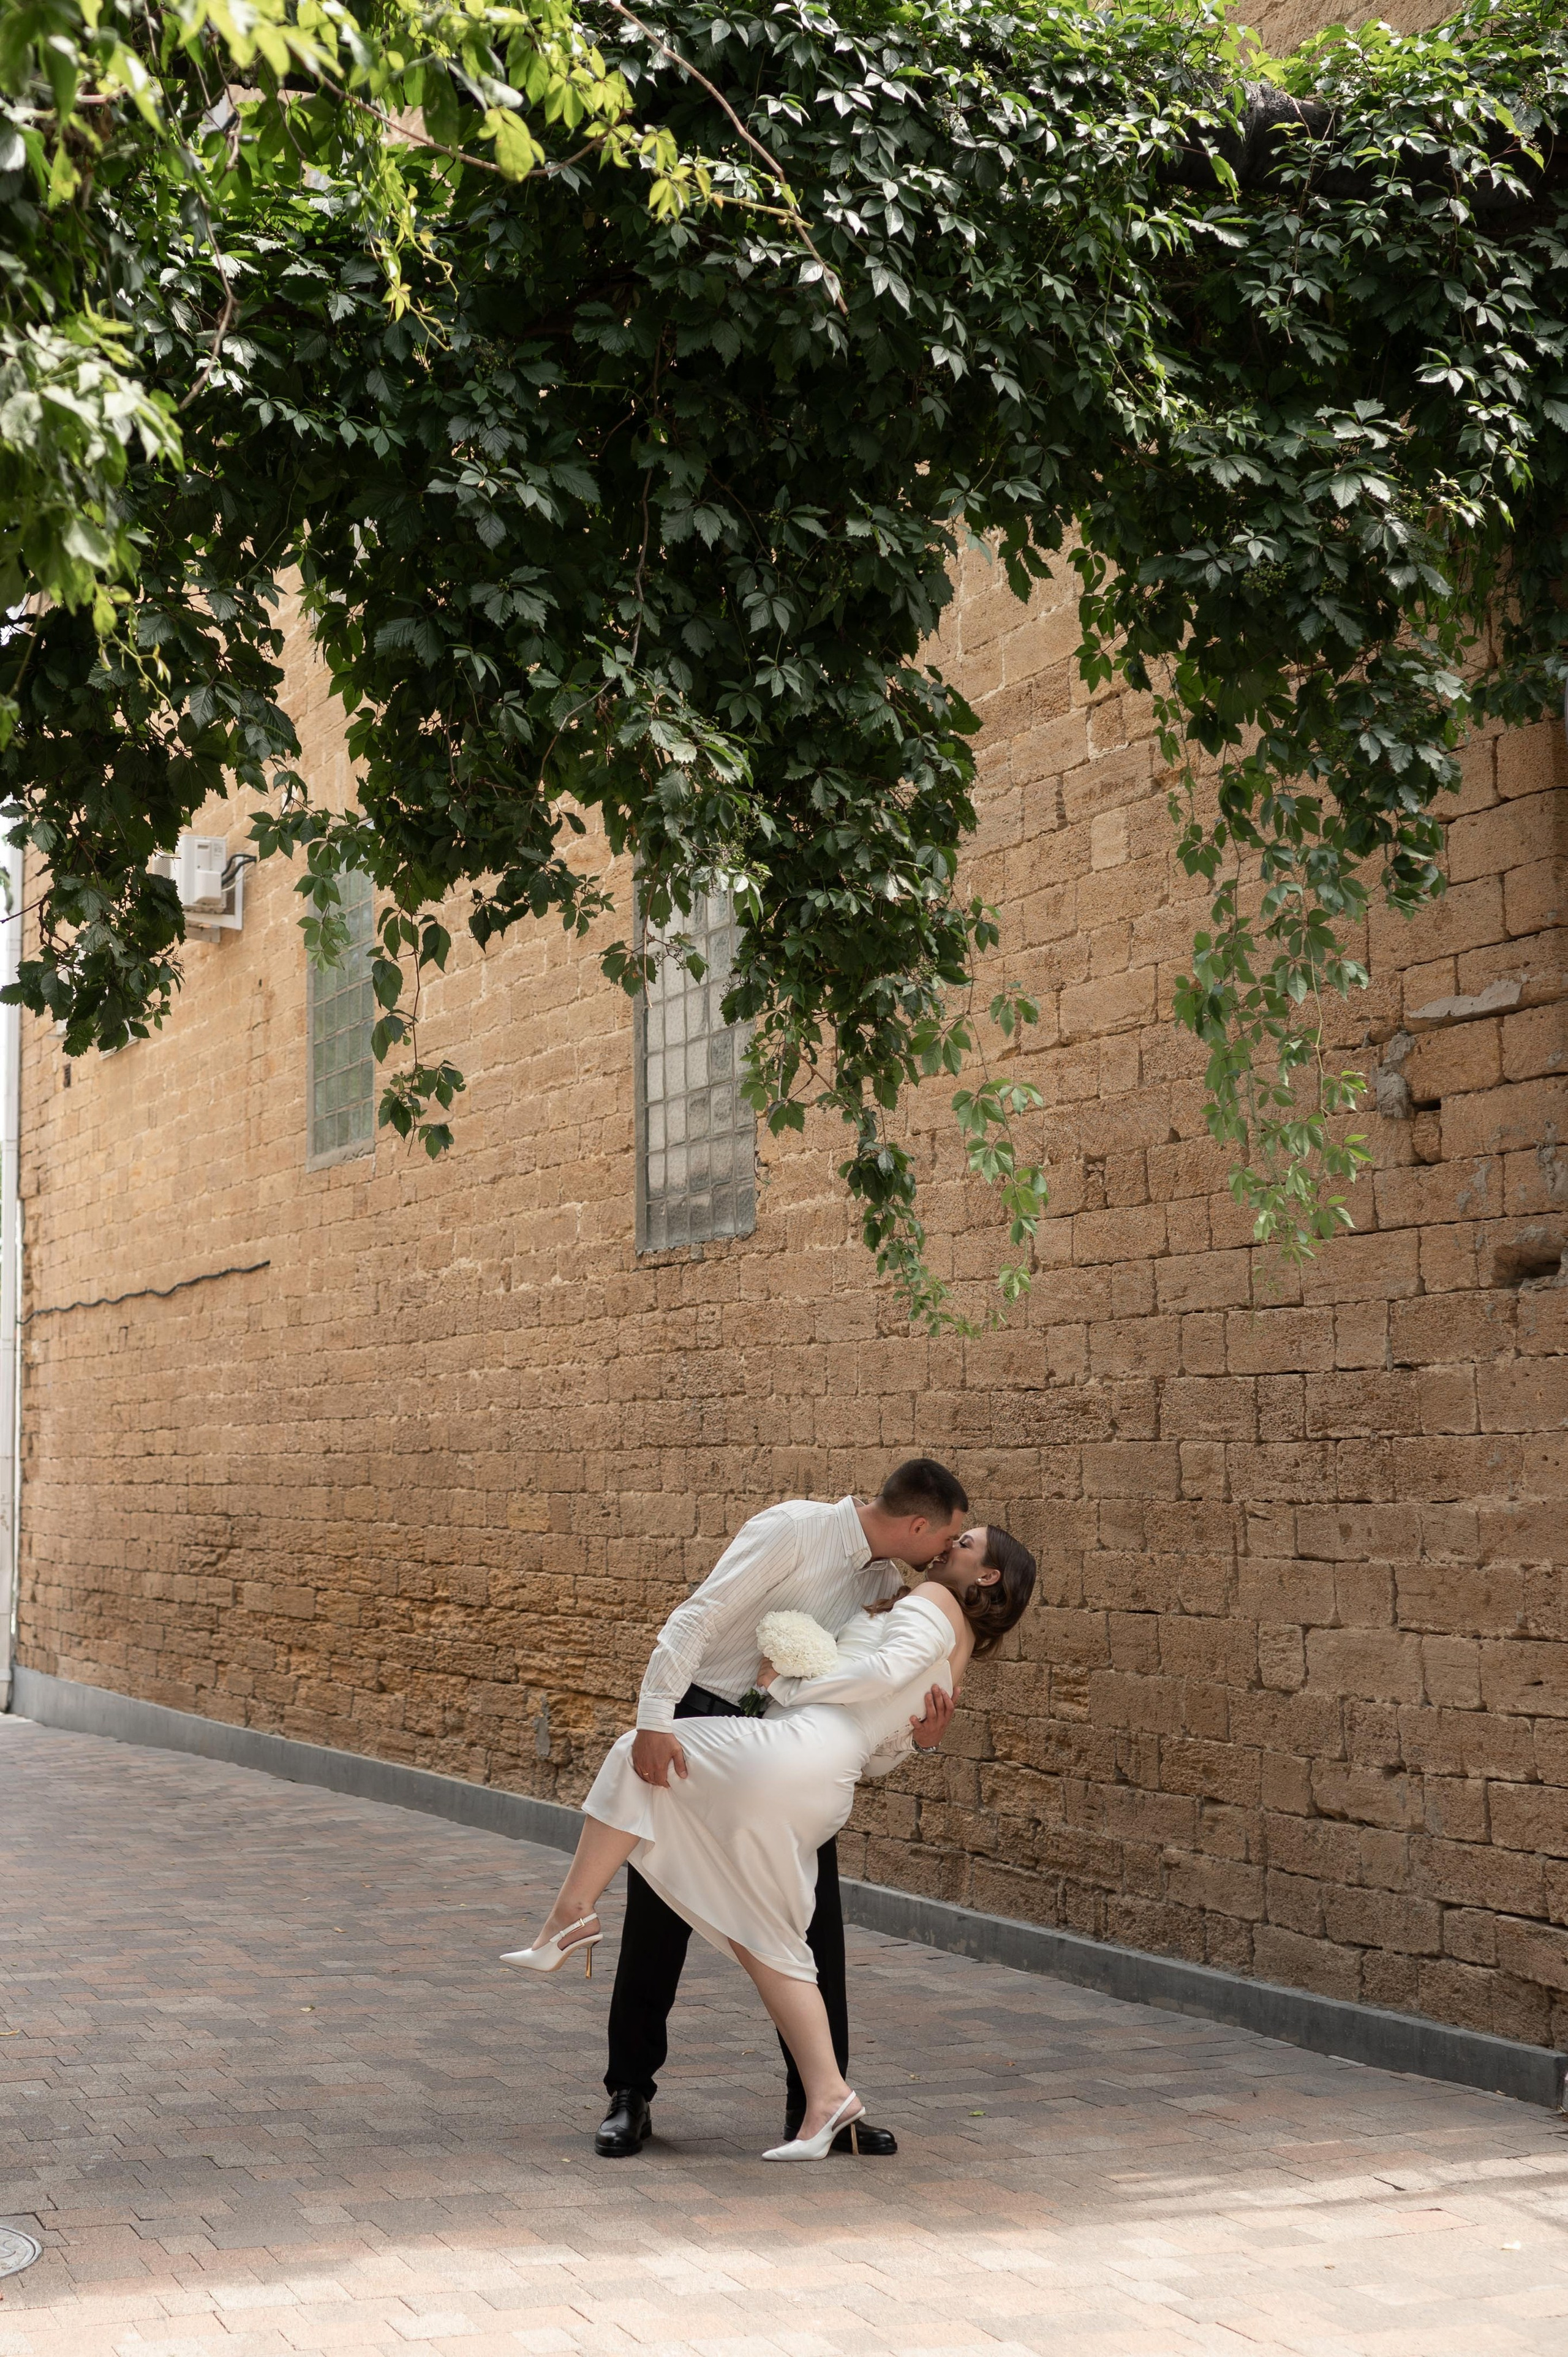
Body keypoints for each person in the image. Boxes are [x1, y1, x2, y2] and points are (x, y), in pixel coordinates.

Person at [502, 1523, 1038, 2159]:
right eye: (952, 1532)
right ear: (914, 1523)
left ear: (987, 1576)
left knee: (635, 1757)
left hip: (790, 1755)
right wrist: (913, 1737)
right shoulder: (808, 1536)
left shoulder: (925, 1597)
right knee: (765, 1933)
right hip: (804, 1767)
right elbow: (886, 1740)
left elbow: (885, 1678)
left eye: (966, 1541)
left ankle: (569, 1917)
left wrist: (786, 1685)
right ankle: (819, 2096)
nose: (951, 1543)